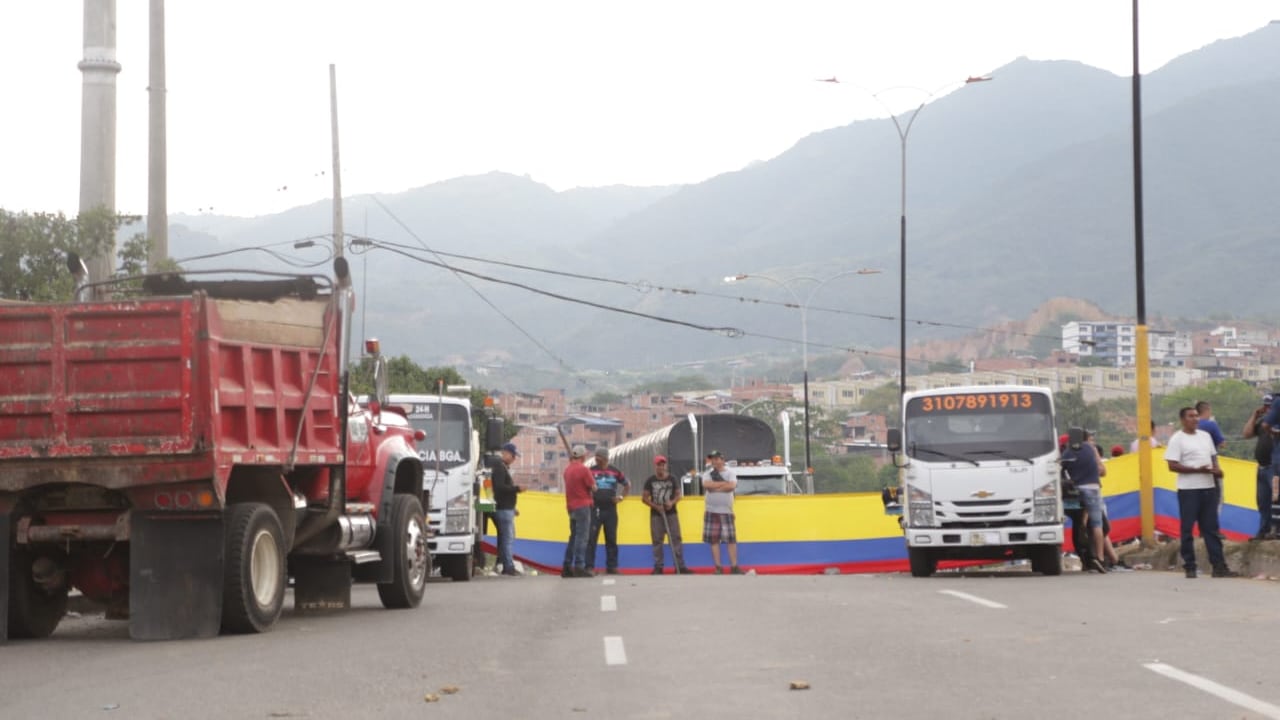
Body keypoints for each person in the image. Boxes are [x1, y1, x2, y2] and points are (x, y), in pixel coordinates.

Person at [1165, 407, 1237, 578]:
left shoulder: (1205, 436)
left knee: (1211, 528)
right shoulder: (1177, 439)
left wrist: (1217, 470)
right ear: (1183, 420)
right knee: (1187, 529)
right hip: (1189, 490)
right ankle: (1190, 566)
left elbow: (1213, 458)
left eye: (1197, 416)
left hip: (1208, 488)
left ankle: (1219, 566)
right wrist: (1197, 470)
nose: (1195, 419)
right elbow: (1172, 465)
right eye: (1191, 416)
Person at [1063, 431, 1108, 573]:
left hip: (1077, 492)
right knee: (1097, 524)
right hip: (1093, 489)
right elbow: (1103, 470)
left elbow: (1061, 468)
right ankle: (1100, 557)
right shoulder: (1091, 448)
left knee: (1080, 524)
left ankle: (1087, 556)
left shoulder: (1068, 452)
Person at [642, 455, 690, 575]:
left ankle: (680, 566)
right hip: (656, 514)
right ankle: (658, 567)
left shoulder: (672, 479)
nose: (661, 467)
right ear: (655, 466)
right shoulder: (650, 480)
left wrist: (672, 502)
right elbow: (644, 498)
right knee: (657, 540)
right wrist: (655, 506)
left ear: (665, 466)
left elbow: (678, 495)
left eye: (663, 465)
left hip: (671, 513)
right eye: (659, 465)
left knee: (676, 538)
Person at [585, 447, 629, 575]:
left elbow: (627, 484)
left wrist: (620, 497)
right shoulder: (590, 471)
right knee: (591, 538)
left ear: (605, 458)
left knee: (611, 538)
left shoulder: (615, 471)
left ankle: (612, 566)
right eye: (596, 457)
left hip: (610, 508)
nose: (596, 460)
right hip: (595, 508)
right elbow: (584, 486)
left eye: (599, 458)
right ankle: (589, 566)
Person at [702, 450, 743, 574]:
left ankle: (734, 567)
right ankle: (718, 567)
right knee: (714, 540)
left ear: (722, 460)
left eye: (716, 459)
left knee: (731, 540)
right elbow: (706, 485)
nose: (714, 461)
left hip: (726, 511)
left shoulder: (730, 473)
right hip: (711, 510)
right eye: (712, 459)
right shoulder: (707, 473)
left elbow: (732, 486)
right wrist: (724, 484)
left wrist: (715, 487)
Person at [1243, 393, 1277, 540]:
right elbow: (1247, 434)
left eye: (1269, 406)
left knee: (1276, 501)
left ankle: (1276, 531)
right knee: (1263, 502)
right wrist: (1254, 416)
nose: (1266, 409)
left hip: (1274, 468)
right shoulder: (1264, 422)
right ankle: (1264, 530)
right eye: (1265, 406)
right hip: (1262, 467)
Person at [562, 445, 595, 578]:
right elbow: (593, 487)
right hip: (583, 506)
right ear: (583, 456)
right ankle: (579, 566)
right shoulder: (584, 469)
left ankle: (567, 565)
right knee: (582, 537)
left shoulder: (567, 470)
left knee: (573, 537)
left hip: (571, 506)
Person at [491, 442, 524, 576]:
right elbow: (500, 488)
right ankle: (508, 566)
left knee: (508, 537)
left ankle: (506, 564)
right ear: (506, 454)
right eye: (513, 455)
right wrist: (516, 489)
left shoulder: (503, 467)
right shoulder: (499, 468)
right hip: (504, 509)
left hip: (508, 508)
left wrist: (513, 507)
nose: (514, 459)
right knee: (507, 539)